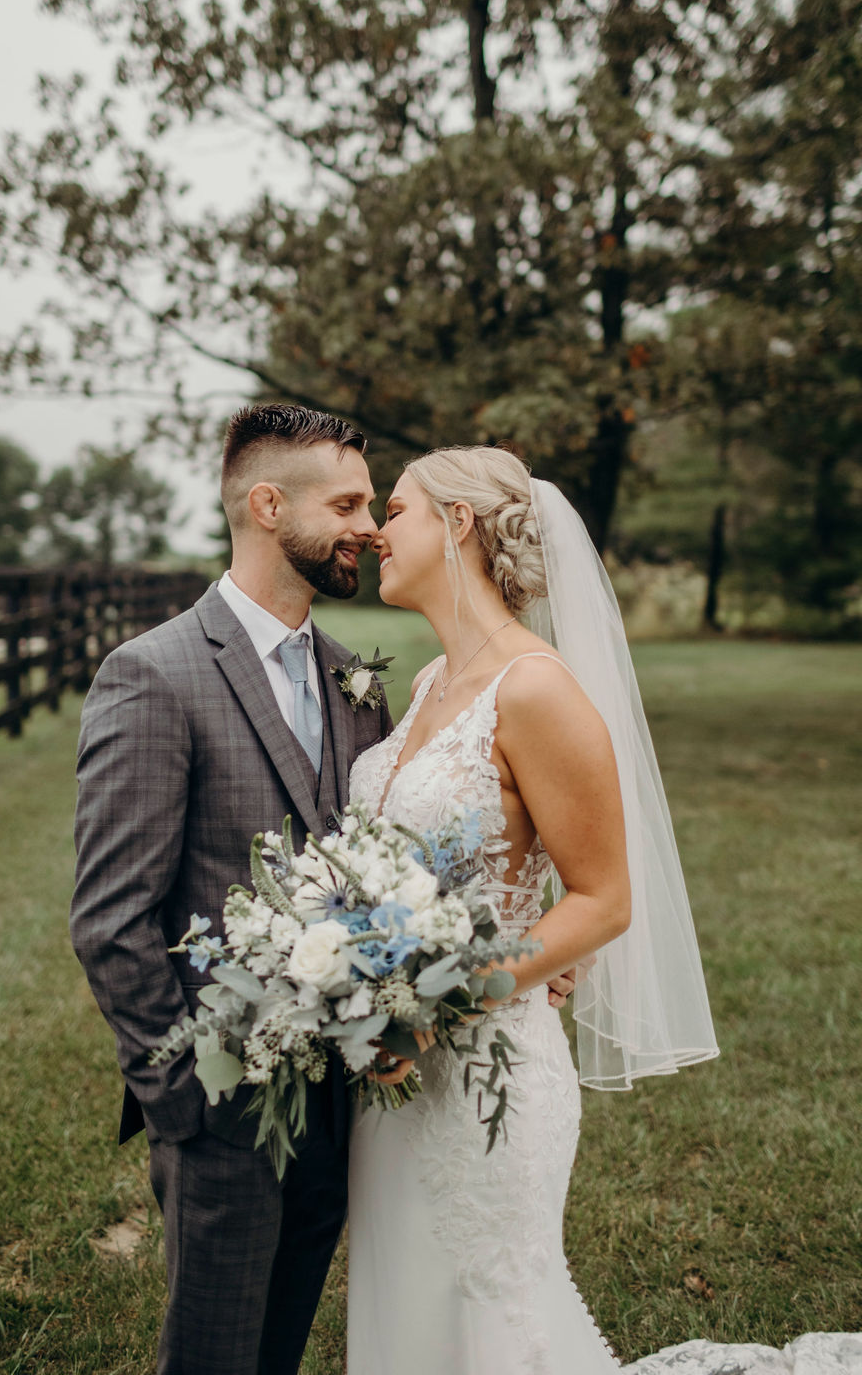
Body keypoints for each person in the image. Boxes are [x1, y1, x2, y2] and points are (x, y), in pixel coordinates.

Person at [346, 446, 861, 1375]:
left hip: (484, 1078)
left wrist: (437, 1005)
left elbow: (603, 899)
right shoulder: (427, 684)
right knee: (408, 1306)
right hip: (392, 1074)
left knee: (485, 1315)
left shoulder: (534, 688)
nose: (378, 531)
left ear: (458, 523)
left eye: (397, 508)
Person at [71, 404, 389, 1375]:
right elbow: (111, 919)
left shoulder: (353, 680)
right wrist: (185, 1106)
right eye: (347, 504)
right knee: (211, 1355)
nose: (370, 526)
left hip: (338, 1103)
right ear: (266, 505)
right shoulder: (154, 675)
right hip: (219, 1114)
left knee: (281, 1348)